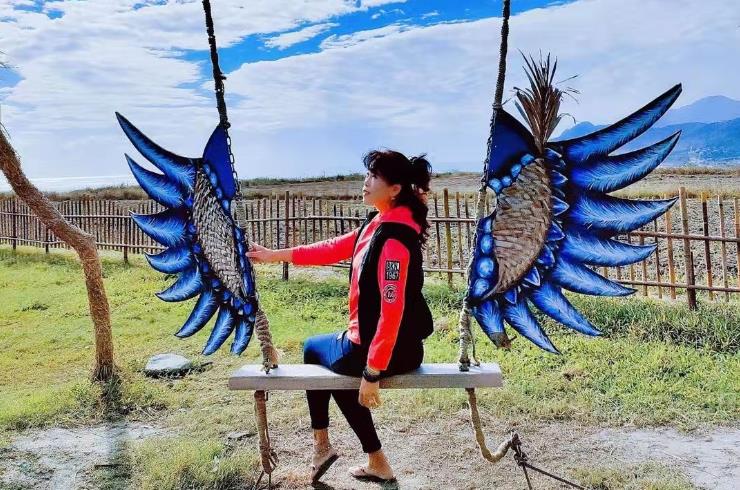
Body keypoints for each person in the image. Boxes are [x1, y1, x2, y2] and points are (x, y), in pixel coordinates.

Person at [246, 149, 434, 484]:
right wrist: (274, 255)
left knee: (314, 351)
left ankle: (327, 448)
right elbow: (331, 248)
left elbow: (391, 311)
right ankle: (361, 456)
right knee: (330, 365)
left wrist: (372, 372)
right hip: (390, 346)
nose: (365, 182)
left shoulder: (393, 239)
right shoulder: (378, 224)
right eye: (367, 174)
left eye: (373, 176)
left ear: (394, 189)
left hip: (387, 351)